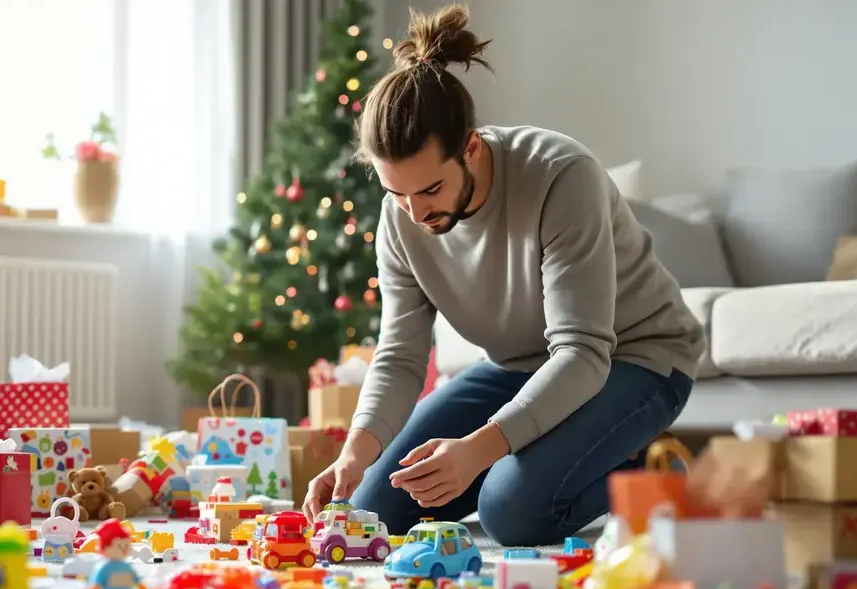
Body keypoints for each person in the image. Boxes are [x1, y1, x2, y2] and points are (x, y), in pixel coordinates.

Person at [302, 4, 705, 547]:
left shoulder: (562, 178)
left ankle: (652, 475)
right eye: (395, 193)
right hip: (517, 367)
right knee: (375, 504)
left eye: (430, 191)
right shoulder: (402, 217)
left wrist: (480, 448)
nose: (416, 215)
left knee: (510, 510)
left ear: (470, 148)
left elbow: (583, 354)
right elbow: (399, 353)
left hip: (635, 360)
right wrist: (355, 451)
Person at [88, 518, 145, 589]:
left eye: (126, 545)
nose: (124, 550)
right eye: (119, 546)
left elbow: (133, 576)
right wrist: (95, 586)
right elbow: (99, 577)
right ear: (105, 548)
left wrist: (140, 584)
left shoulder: (126, 566)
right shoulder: (105, 567)